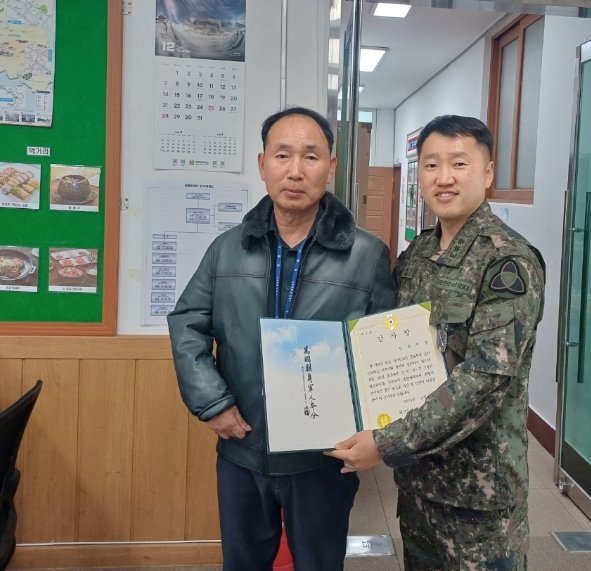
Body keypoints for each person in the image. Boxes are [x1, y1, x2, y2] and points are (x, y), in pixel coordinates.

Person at [168, 106, 395, 571]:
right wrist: (211, 402)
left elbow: (384, 352)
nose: (295, 171)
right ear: (262, 164)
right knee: (243, 562)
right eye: (282, 155)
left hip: (322, 457)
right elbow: (188, 322)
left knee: (319, 563)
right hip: (242, 448)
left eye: (310, 156)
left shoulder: (367, 255)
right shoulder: (227, 249)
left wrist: (375, 433)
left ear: (330, 167)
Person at [327, 115, 545, 570]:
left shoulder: (507, 262)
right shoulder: (417, 255)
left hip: (478, 495)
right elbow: (385, 346)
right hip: (419, 480)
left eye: (459, 164)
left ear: (487, 172)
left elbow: (483, 379)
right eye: (431, 165)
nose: (444, 177)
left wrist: (386, 443)